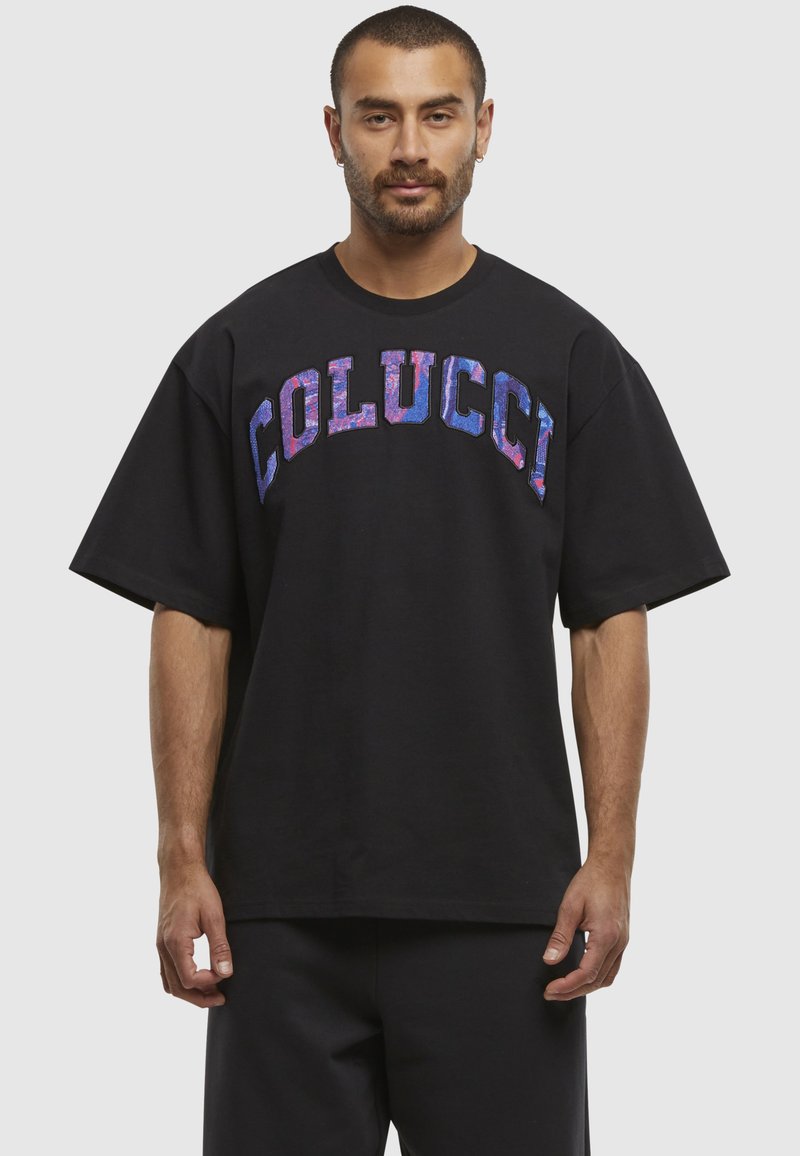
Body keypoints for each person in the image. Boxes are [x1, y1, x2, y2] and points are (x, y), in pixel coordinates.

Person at [68, 5, 731, 1154]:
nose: (410, 147)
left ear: (484, 128)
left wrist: (611, 858)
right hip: (279, 903)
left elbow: (606, 619)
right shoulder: (237, 350)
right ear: (333, 132)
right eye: (378, 117)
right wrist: (180, 858)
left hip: (505, 902)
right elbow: (190, 612)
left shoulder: (568, 353)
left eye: (437, 115)